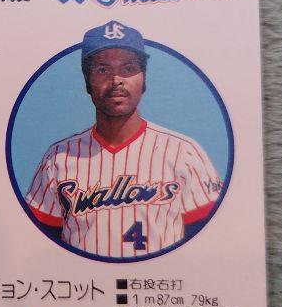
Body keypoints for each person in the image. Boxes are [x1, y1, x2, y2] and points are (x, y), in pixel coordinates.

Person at [25, 21, 222, 259]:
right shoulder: (57, 158)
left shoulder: (184, 153)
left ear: (144, 79)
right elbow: (40, 243)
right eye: (102, 69)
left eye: (129, 68)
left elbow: (211, 241)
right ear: (87, 82)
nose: (116, 79)